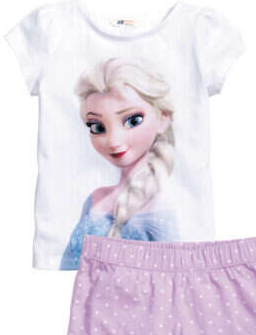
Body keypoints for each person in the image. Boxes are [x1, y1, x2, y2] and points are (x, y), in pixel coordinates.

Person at [59, 57, 180, 270]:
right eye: (97, 127)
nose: (113, 141)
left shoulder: (163, 206)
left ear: (163, 118)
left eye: (133, 121)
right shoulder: (95, 200)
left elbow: (174, 277)